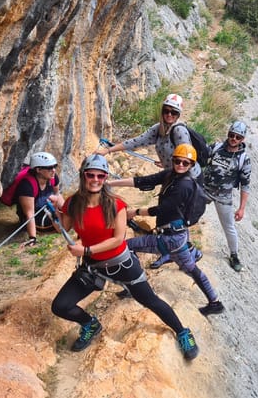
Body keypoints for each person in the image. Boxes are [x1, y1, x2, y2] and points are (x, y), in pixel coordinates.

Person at [48, 154, 199, 359]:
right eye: (90, 175)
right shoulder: (73, 203)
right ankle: (90, 324)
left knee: (150, 300)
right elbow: (62, 228)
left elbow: (118, 239)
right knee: (60, 306)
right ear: (83, 176)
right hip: (93, 267)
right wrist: (57, 211)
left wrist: (86, 251)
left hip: (121, 264)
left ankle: (183, 332)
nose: (95, 180)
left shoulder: (115, 205)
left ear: (105, 177)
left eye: (100, 176)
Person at [108, 144, 225, 316]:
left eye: (186, 163)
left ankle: (134, 286)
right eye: (178, 161)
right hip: (177, 235)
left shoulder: (183, 185)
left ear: (192, 165)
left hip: (171, 239)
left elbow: (163, 209)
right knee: (190, 268)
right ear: (173, 160)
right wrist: (110, 182)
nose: (181, 165)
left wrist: (134, 212)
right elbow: (145, 181)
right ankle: (215, 302)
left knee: (125, 247)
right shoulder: (171, 175)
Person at [95, 93, 200, 178]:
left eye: (174, 112)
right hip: (174, 175)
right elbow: (135, 142)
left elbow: (187, 158)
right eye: (166, 111)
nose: (169, 115)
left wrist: (171, 165)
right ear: (162, 111)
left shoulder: (179, 131)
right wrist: (108, 150)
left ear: (178, 115)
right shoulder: (159, 129)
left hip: (189, 178)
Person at [204, 121, 252, 272]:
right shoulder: (216, 147)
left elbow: (245, 184)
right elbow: (198, 159)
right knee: (186, 212)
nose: (233, 139)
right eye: (231, 135)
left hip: (224, 197)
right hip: (204, 190)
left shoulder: (244, 159)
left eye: (238, 137)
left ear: (242, 139)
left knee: (229, 227)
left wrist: (242, 208)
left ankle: (234, 255)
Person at [17, 151, 60, 247]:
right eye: (49, 168)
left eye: (54, 167)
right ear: (38, 170)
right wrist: (33, 238)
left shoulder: (53, 178)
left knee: (74, 212)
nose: (53, 170)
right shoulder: (27, 186)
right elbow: (29, 214)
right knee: (67, 223)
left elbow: (57, 194)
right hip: (35, 219)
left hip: (47, 210)